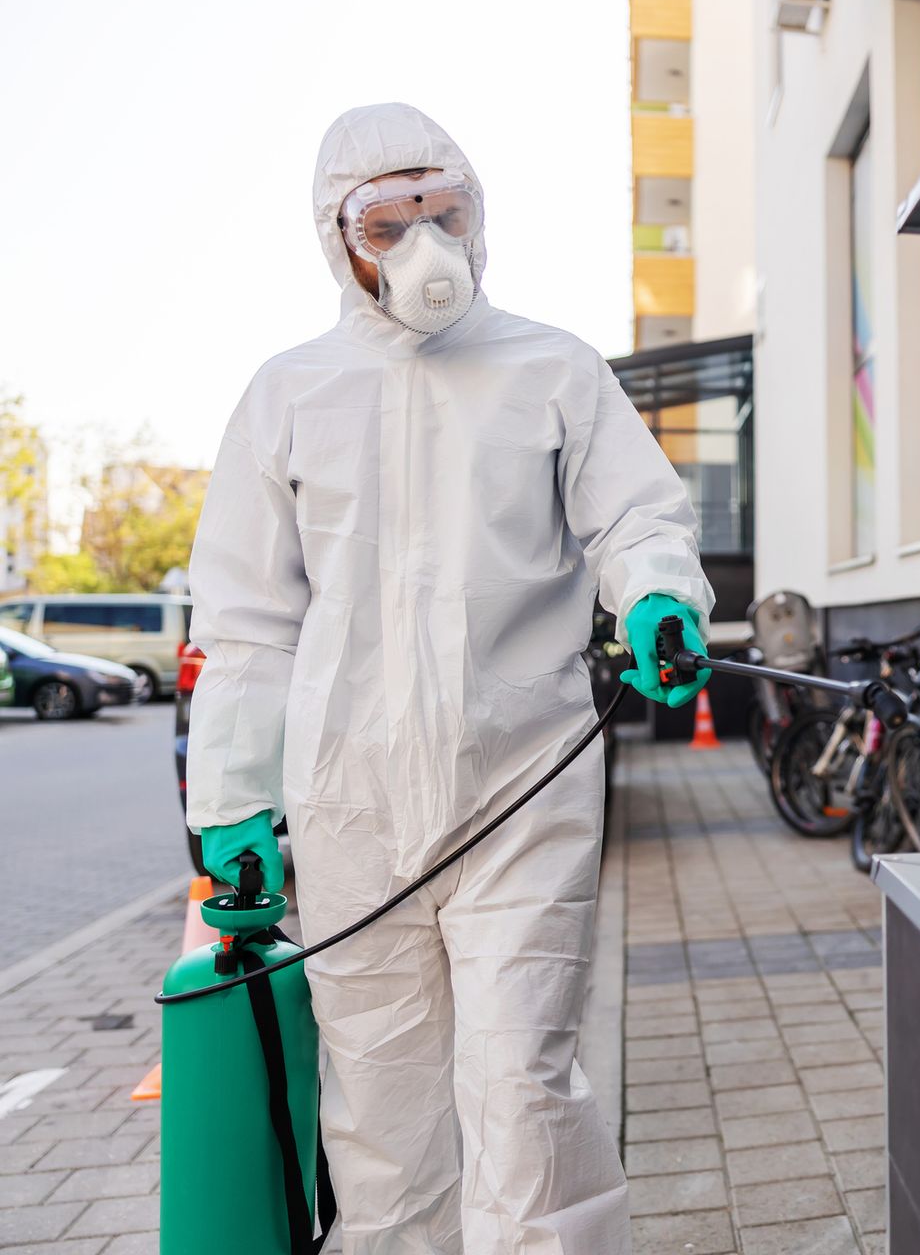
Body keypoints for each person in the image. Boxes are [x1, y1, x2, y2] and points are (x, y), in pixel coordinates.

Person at [185, 102, 713, 1254]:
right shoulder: (288, 394)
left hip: (520, 780)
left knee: (522, 1090)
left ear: (479, 217)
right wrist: (232, 803)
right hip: (348, 808)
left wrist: (659, 590)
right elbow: (246, 622)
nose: (428, 244)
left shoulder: (552, 368)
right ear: (340, 238)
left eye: (446, 211)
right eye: (391, 221)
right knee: (380, 1120)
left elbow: (635, 513)